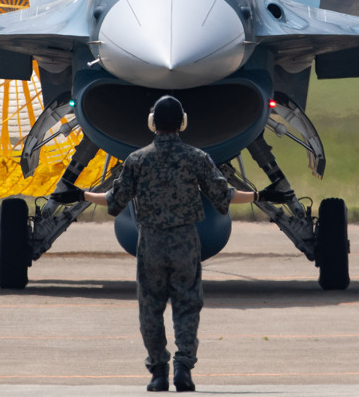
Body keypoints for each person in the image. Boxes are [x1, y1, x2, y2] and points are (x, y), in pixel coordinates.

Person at [52, 95, 287, 392]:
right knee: (187, 306)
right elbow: (225, 196)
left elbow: (114, 200)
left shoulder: (137, 160)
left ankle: (158, 372)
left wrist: (80, 195)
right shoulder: (197, 158)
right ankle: (184, 369)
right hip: (186, 242)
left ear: (152, 123)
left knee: (150, 309)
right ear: (183, 123)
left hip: (150, 241)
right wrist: (262, 196)